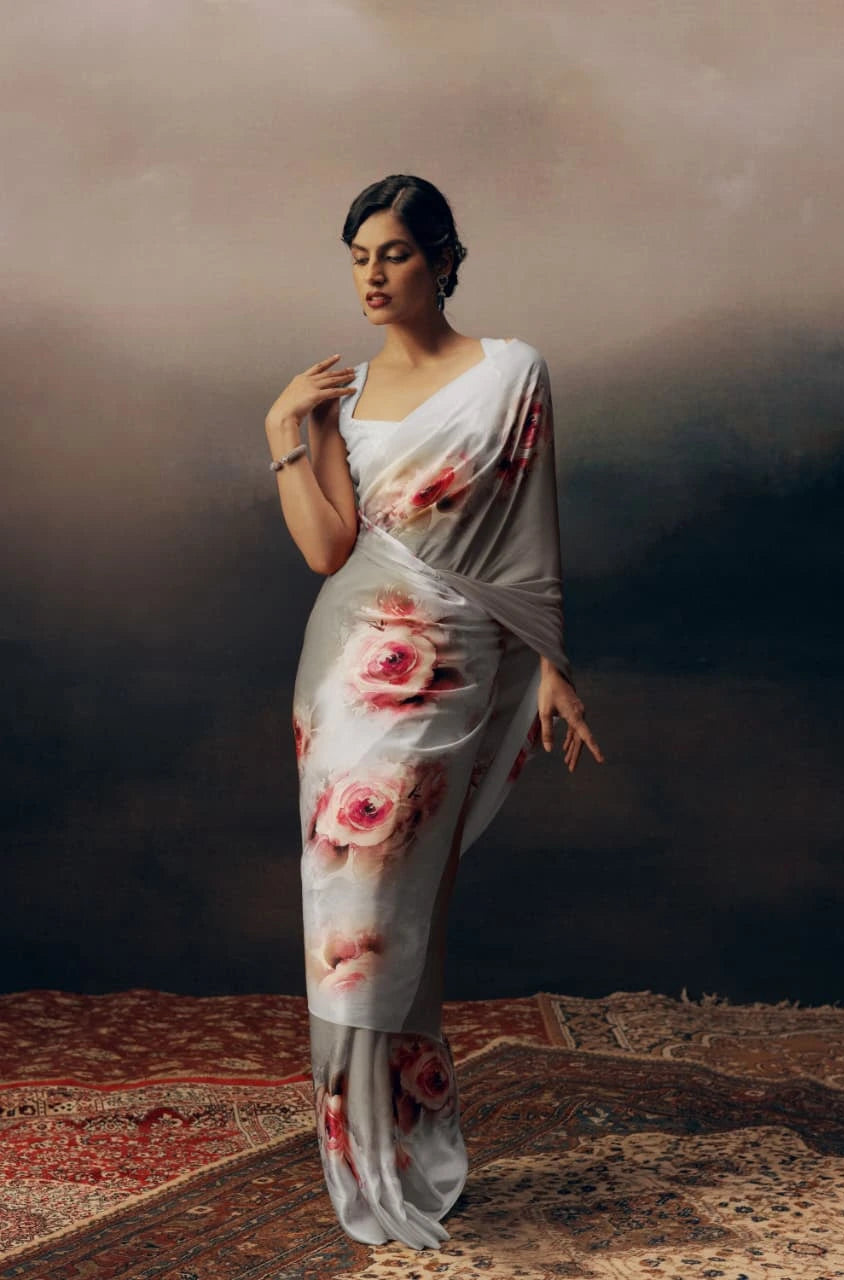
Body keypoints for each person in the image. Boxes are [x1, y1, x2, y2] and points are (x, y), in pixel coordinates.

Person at [264, 174, 605, 1251]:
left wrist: (549, 664)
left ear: (442, 258)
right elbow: (326, 548)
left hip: (458, 669)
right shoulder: (343, 398)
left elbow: (529, 537)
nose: (371, 273)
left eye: (394, 253)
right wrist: (284, 427)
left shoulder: (510, 373)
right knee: (350, 919)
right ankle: (356, 1154)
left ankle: (411, 1136)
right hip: (350, 670)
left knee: (410, 920)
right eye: (357, 255)